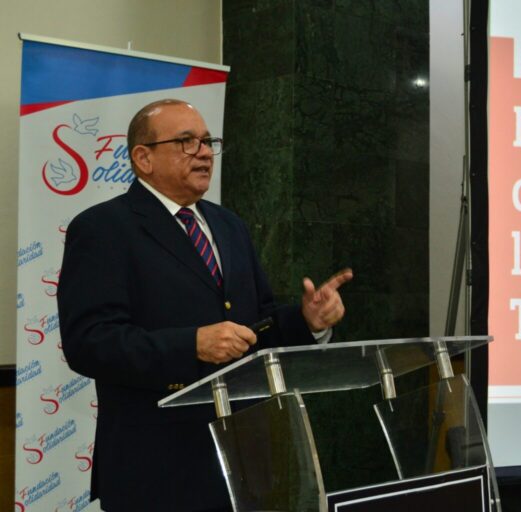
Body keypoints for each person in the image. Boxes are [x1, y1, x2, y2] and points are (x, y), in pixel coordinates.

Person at [57, 99, 353, 512]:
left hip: (243, 460)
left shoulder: (229, 225)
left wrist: (307, 321)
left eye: (208, 141)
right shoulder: (103, 229)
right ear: (143, 158)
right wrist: (191, 344)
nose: (205, 152)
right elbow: (88, 343)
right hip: (157, 466)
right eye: (186, 141)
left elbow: (258, 326)